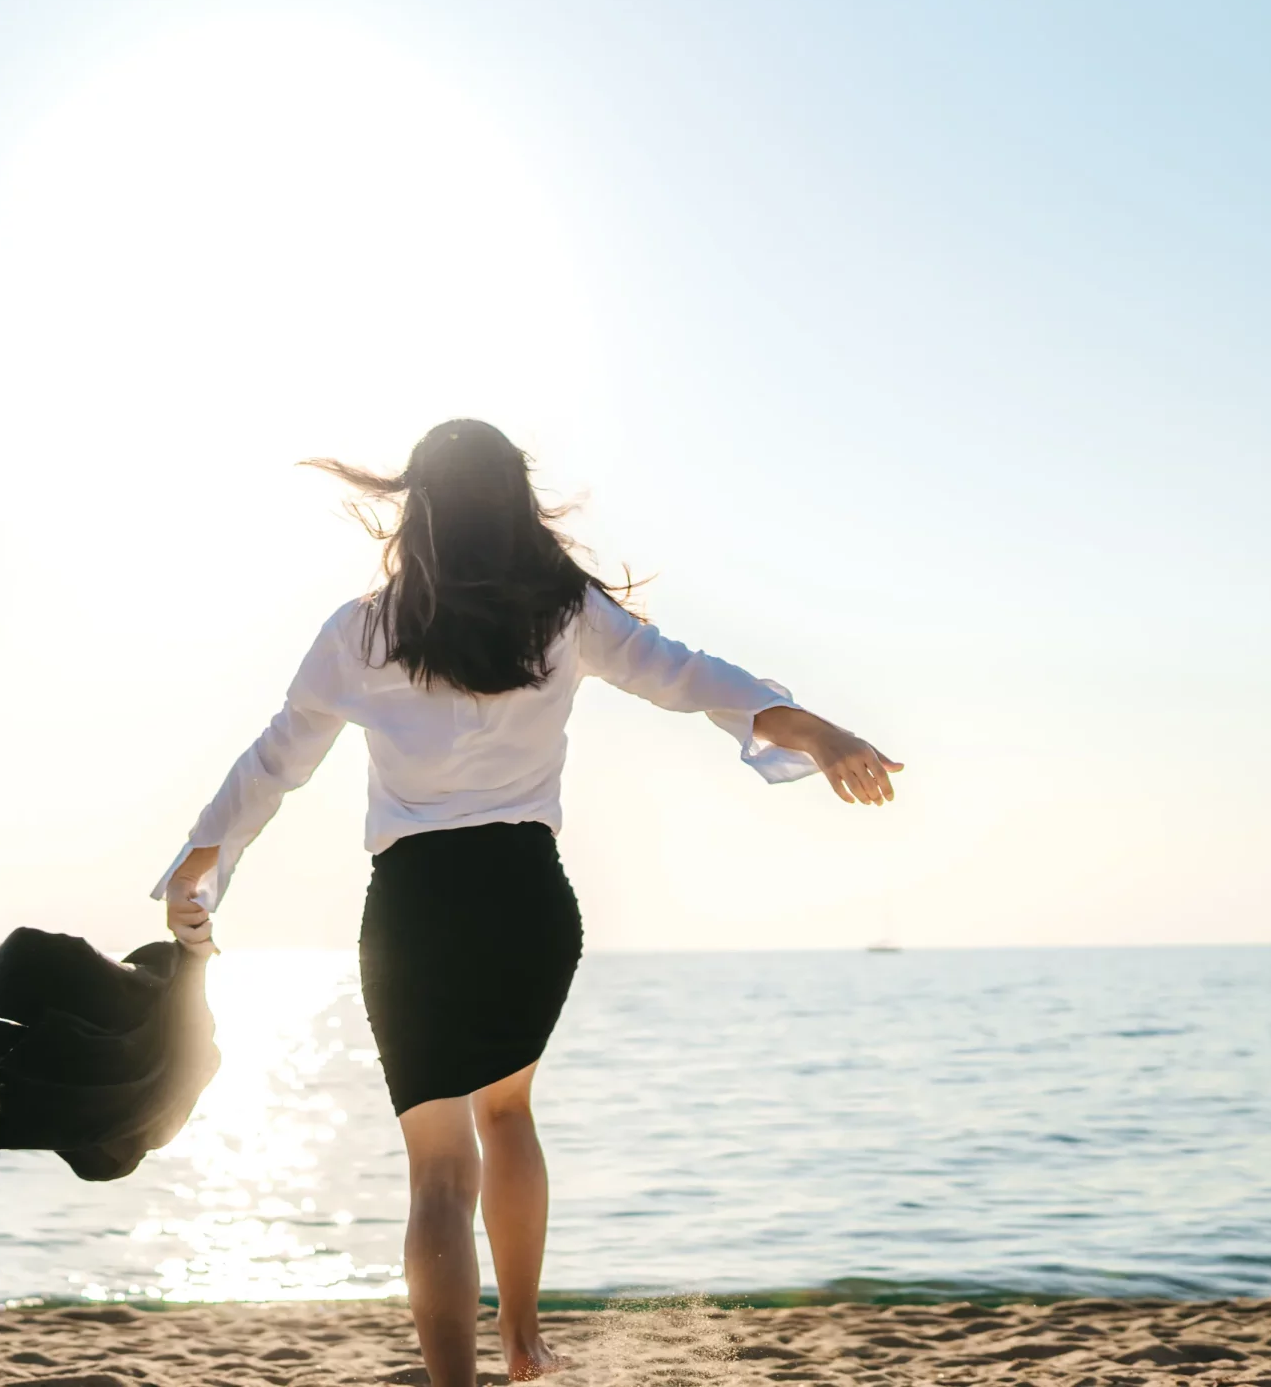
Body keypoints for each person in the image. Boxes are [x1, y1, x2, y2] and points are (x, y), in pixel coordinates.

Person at [155, 419, 901, 1386]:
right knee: (508, 1116)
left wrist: (201, 860)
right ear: (515, 505)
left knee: (437, 1166)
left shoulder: (362, 630)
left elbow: (277, 759)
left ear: (417, 508)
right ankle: (520, 1345)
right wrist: (819, 730)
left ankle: (456, 1381)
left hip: (417, 906)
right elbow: (686, 675)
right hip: (525, 901)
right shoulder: (562, 614)